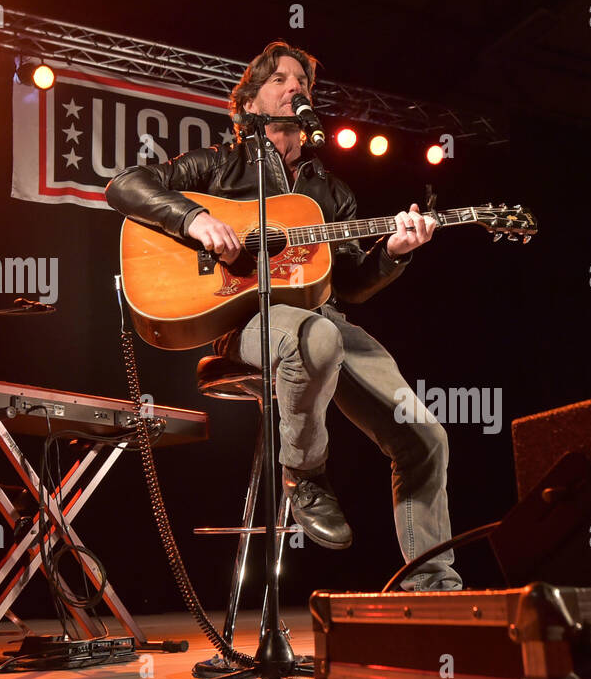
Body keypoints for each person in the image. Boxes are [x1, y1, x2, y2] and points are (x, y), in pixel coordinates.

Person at [106, 41, 462, 592]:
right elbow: (125, 185)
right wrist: (195, 219)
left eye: (303, 83)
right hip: (241, 321)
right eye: (280, 80)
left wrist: (393, 253)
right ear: (251, 104)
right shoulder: (220, 164)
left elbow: (350, 285)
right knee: (314, 338)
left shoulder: (332, 192)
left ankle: (436, 588)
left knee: (426, 437)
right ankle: (305, 472)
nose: (295, 88)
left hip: (321, 317)